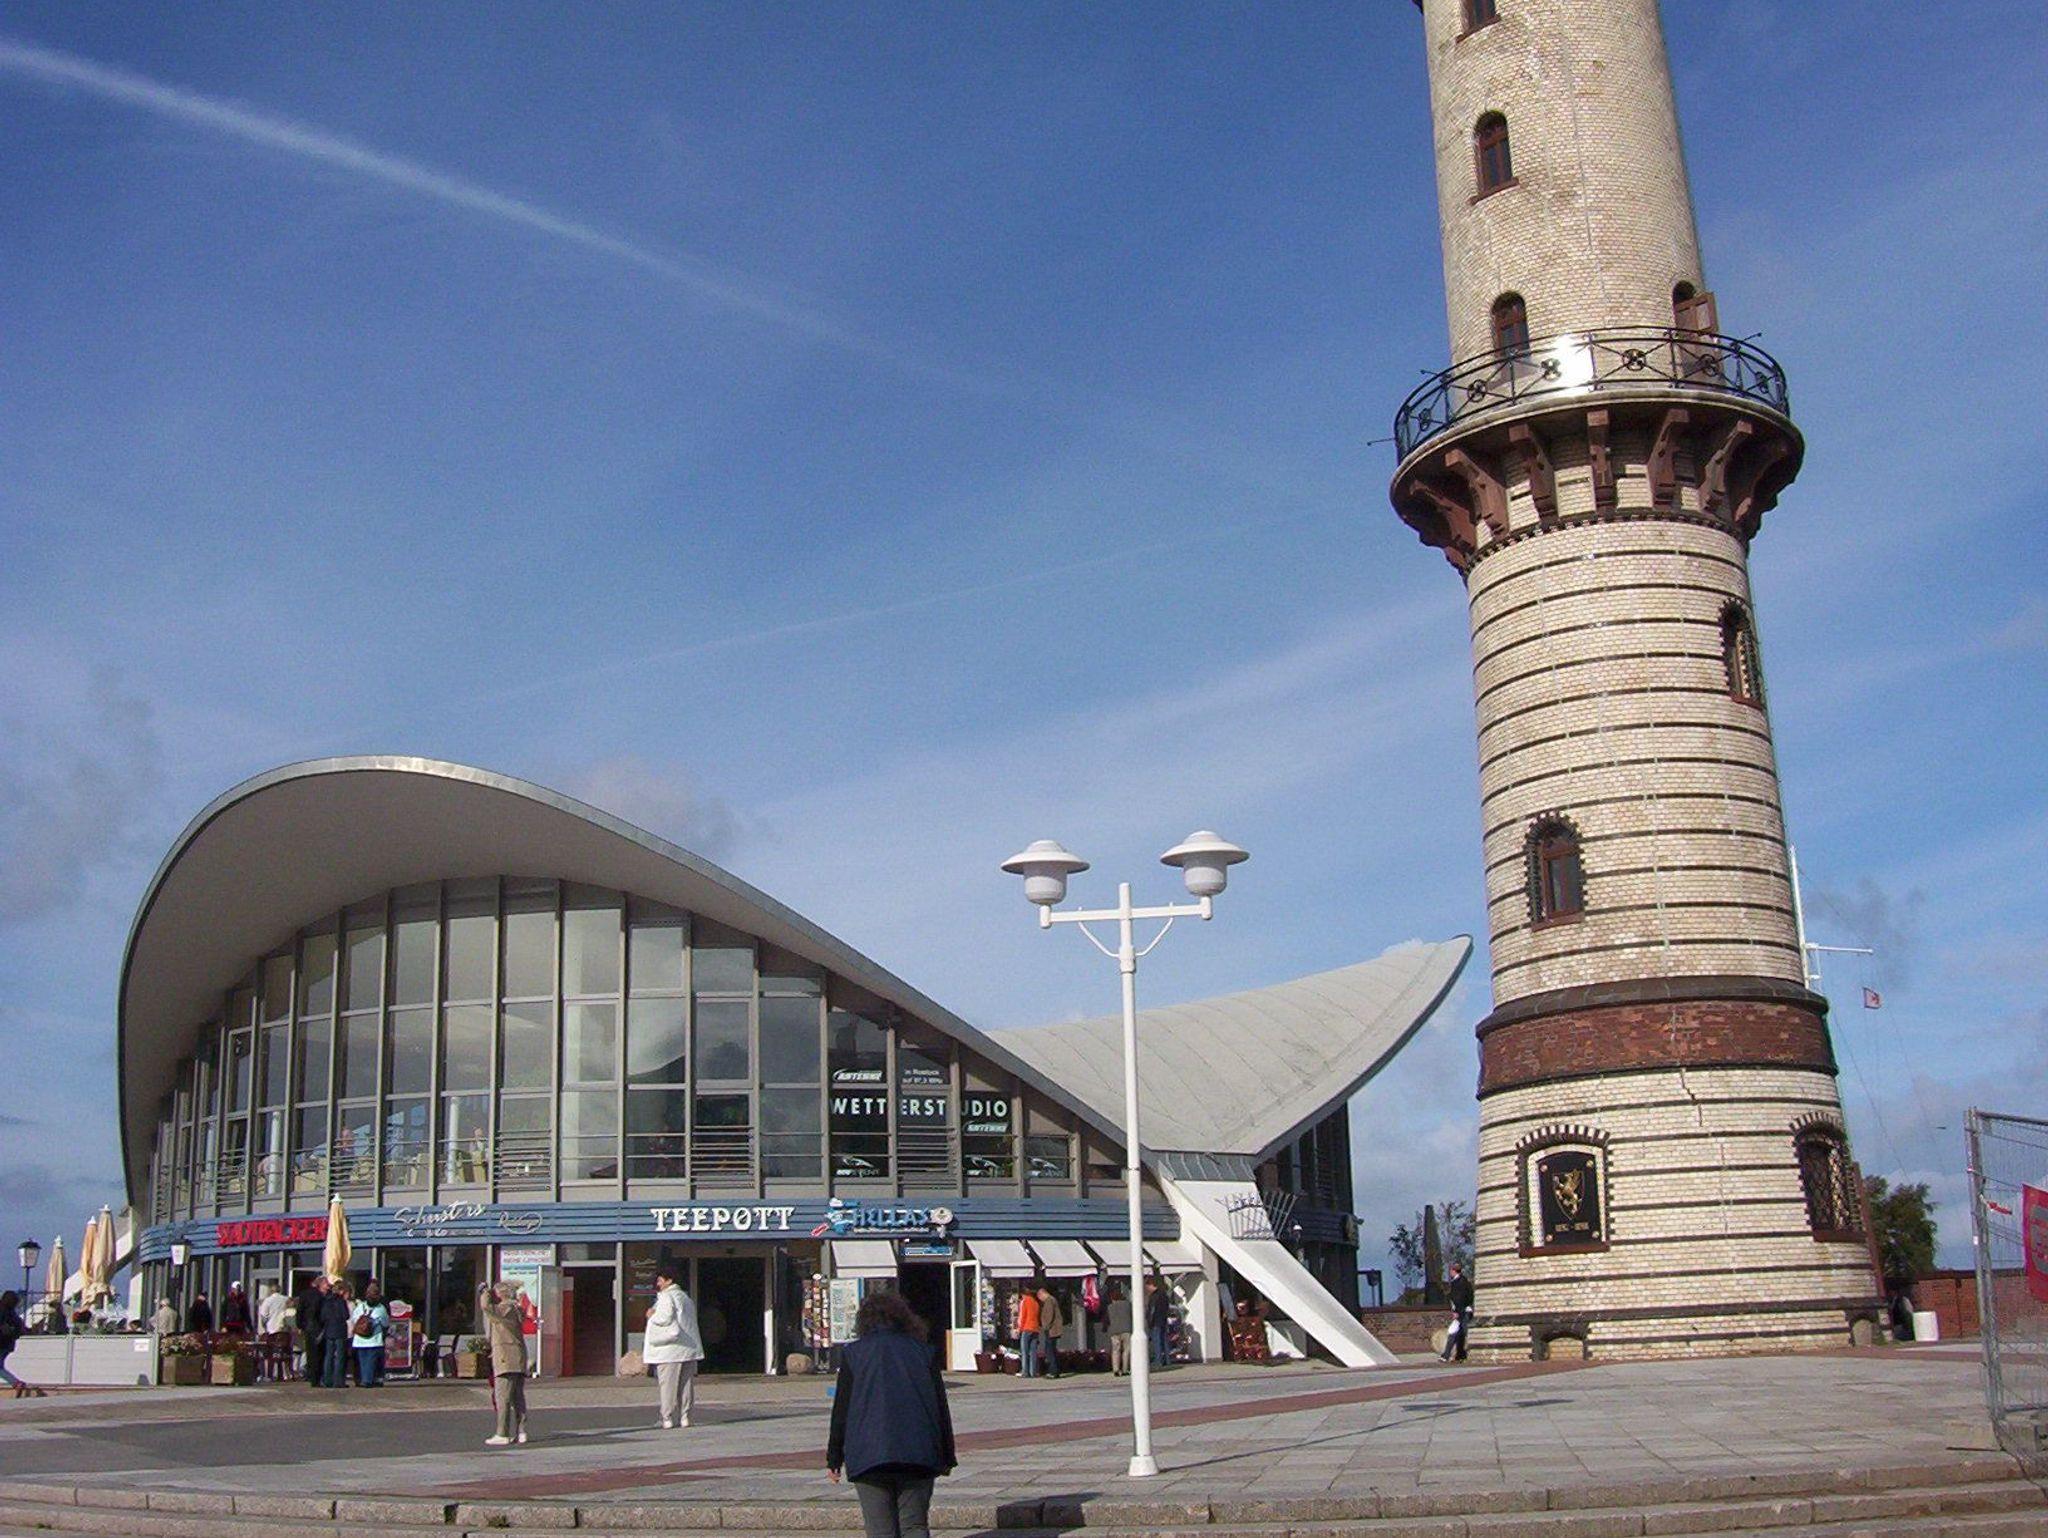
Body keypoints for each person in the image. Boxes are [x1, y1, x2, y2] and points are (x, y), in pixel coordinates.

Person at [826, 1289, 956, 1538]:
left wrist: (834, 1457)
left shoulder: (854, 1354)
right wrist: (947, 1456)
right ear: (904, 1318)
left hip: (868, 1454)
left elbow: (842, 1410)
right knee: (915, 1526)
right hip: (918, 1453)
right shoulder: (924, 1352)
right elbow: (940, 1407)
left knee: (880, 1530)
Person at [642, 1262, 705, 1430]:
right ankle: (686, 1417)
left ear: (669, 1281)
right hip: (688, 1349)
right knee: (686, 1386)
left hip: (669, 1350)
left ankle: (667, 1417)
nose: (658, 1284)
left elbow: (664, 1318)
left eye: (660, 1280)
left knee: (668, 1386)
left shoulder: (666, 1297)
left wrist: (651, 1315)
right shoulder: (686, 1298)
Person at [480, 1281, 530, 1447]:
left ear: (501, 1294)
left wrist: (485, 1292)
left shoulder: (505, 1309)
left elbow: (486, 1307)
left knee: (503, 1397)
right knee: (517, 1396)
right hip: (518, 1356)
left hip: (506, 1358)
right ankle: (521, 1431)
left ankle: (502, 1433)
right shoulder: (516, 1309)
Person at [1, 1291, 45, 1398]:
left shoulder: (3, 1310)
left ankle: (16, 1383)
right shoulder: (12, 1314)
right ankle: (16, 1383)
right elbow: (20, 1329)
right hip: (8, 1344)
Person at [350, 1281, 390, 1388]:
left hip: (359, 1340)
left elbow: (354, 1319)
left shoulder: (360, 1306)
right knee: (371, 1361)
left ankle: (363, 1379)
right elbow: (386, 1323)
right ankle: (367, 1380)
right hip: (374, 1340)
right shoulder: (381, 1308)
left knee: (362, 1361)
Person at [319, 1279, 352, 1388]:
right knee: (340, 1356)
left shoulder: (326, 1301)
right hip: (340, 1330)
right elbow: (346, 1315)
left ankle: (327, 1380)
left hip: (329, 1330)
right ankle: (338, 1381)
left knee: (329, 1356)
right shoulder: (341, 1301)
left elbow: (322, 1316)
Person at [1440, 1260, 1474, 1363]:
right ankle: (1458, 1355)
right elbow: (1469, 1296)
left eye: (1450, 1270)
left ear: (1453, 1271)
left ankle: (1448, 1355)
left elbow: (1459, 1298)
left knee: (1459, 1332)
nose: (1450, 1273)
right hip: (1465, 1310)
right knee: (1459, 1333)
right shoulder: (1465, 1281)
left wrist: (1457, 1311)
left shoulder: (1458, 1283)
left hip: (1462, 1312)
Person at [298, 1275, 329, 1383]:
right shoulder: (321, 1297)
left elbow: (300, 1310)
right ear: (320, 1285)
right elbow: (319, 1313)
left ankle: (311, 1376)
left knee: (310, 1353)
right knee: (319, 1353)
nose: (328, 1286)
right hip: (318, 1326)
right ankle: (317, 1376)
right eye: (326, 1284)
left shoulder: (304, 1295)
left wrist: (300, 1325)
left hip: (308, 1326)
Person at [1035, 1284, 1064, 1379]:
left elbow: (1049, 1315)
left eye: (1040, 1298)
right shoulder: (1052, 1299)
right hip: (1053, 1329)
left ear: (1042, 1294)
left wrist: (1045, 1326)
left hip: (1051, 1330)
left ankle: (1053, 1371)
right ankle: (1055, 1371)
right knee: (1052, 1350)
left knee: (1049, 1351)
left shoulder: (1049, 1301)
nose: (1040, 1300)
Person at [1105, 1282, 1133, 1377]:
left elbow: (1106, 1320)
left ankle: (1116, 1369)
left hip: (1114, 1331)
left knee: (1115, 1350)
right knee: (1126, 1350)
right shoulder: (1128, 1305)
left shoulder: (1109, 1307)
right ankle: (1125, 1369)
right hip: (1126, 1329)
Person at [1015, 1283, 1043, 1378]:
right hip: (1035, 1328)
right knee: (1033, 1351)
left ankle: (1025, 1372)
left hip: (1026, 1328)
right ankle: (1033, 1372)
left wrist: (1019, 1329)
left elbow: (1022, 1316)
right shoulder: (1035, 1302)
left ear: (1022, 1294)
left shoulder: (1025, 1301)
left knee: (1024, 1351)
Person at [1145, 1277, 1170, 1368]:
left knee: (1157, 1341)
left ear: (1151, 1285)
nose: (1147, 1289)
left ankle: (1158, 1360)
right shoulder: (1164, 1295)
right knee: (1164, 1341)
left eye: (1147, 1286)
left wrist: (1149, 1321)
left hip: (1155, 1321)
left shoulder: (1154, 1296)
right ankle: (1167, 1360)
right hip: (1163, 1320)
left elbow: (1152, 1310)